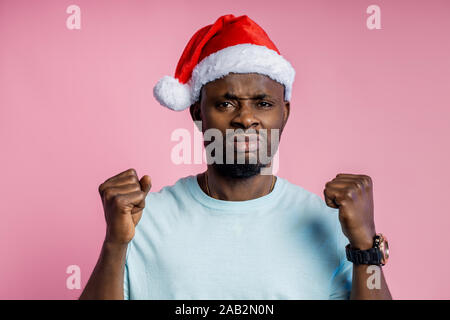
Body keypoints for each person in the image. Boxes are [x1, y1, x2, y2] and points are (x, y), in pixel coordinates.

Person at [80, 14, 392, 300]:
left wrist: (366, 246)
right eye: (226, 103)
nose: (245, 118)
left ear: (285, 114)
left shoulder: (327, 223)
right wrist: (115, 244)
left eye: (263, 103)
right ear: (197, 113)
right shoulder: (144, 221)